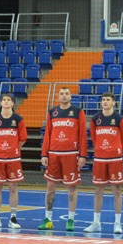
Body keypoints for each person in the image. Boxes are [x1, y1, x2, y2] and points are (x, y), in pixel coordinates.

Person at [39, 87, 87, 231]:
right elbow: (47, 133)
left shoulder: (78, 112)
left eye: (66, 94)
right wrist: (44, 154)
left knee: (72, 188)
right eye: (61, 94)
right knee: (50, 186)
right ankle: (48, 219)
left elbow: (82, 135)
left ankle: (70, 220)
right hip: (53, 154)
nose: (64, 96)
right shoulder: (52, 112)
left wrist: (83, 155)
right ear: (58, 97)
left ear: (70, 96)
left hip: (71, 154)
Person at [87, 91, 123, 234]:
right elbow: (94, 138)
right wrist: (101, 149)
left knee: (116, 190)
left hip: (115, 159)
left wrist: (116, 150)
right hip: (99, 158)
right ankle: (96, 222)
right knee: (98, 190)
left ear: (113, 103)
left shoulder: (120, 119)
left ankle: (117, 223)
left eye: (108, 100)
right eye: (103, 99)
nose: (105, 102)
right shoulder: (95, 120)